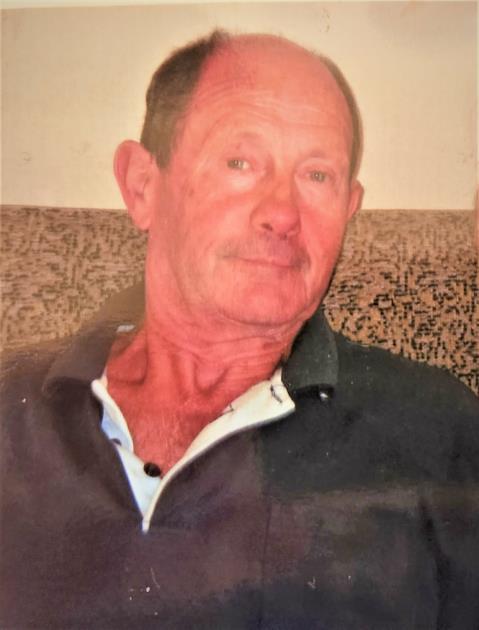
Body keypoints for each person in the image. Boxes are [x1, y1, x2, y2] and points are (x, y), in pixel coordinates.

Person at [1, 30, 478, 629]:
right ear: (143, 186)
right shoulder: (11, 403)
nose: (282, 212)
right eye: (239, 162)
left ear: (348, 209)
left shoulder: (440, 430)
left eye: (317, 175)